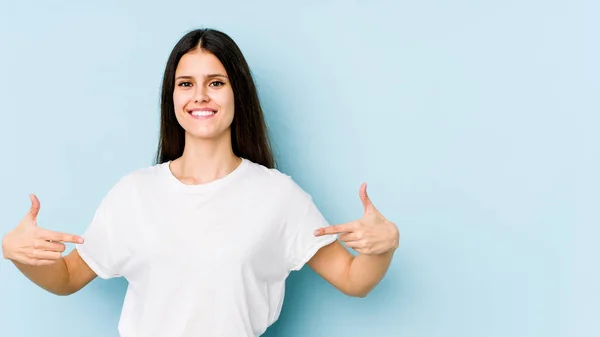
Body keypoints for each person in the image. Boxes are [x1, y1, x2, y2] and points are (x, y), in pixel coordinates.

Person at [1, 28, 400, 336]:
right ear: (172, 97)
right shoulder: (134, 193)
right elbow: (68, 277)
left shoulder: (278, 195)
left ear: (236, 93)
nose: (200, 96)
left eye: (216, 82)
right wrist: (19, 254)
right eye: (186, 83)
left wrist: (383, 247)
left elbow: (353, 280)